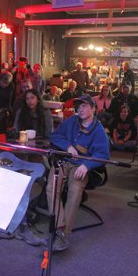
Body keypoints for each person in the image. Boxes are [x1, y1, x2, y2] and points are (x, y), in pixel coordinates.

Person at [45, 95, 110, 251]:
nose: (80, 109)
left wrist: (87, 165)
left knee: (75, 190)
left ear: (93, 108)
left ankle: (64, 235)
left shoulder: (99, 131)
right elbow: (55, 135)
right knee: (51, 187)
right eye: (78, 107)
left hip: (80, 166)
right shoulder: (71, 121)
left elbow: (103, 155)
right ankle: (59, 227)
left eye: (84, 106)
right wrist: (68, 146)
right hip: (63, 161)